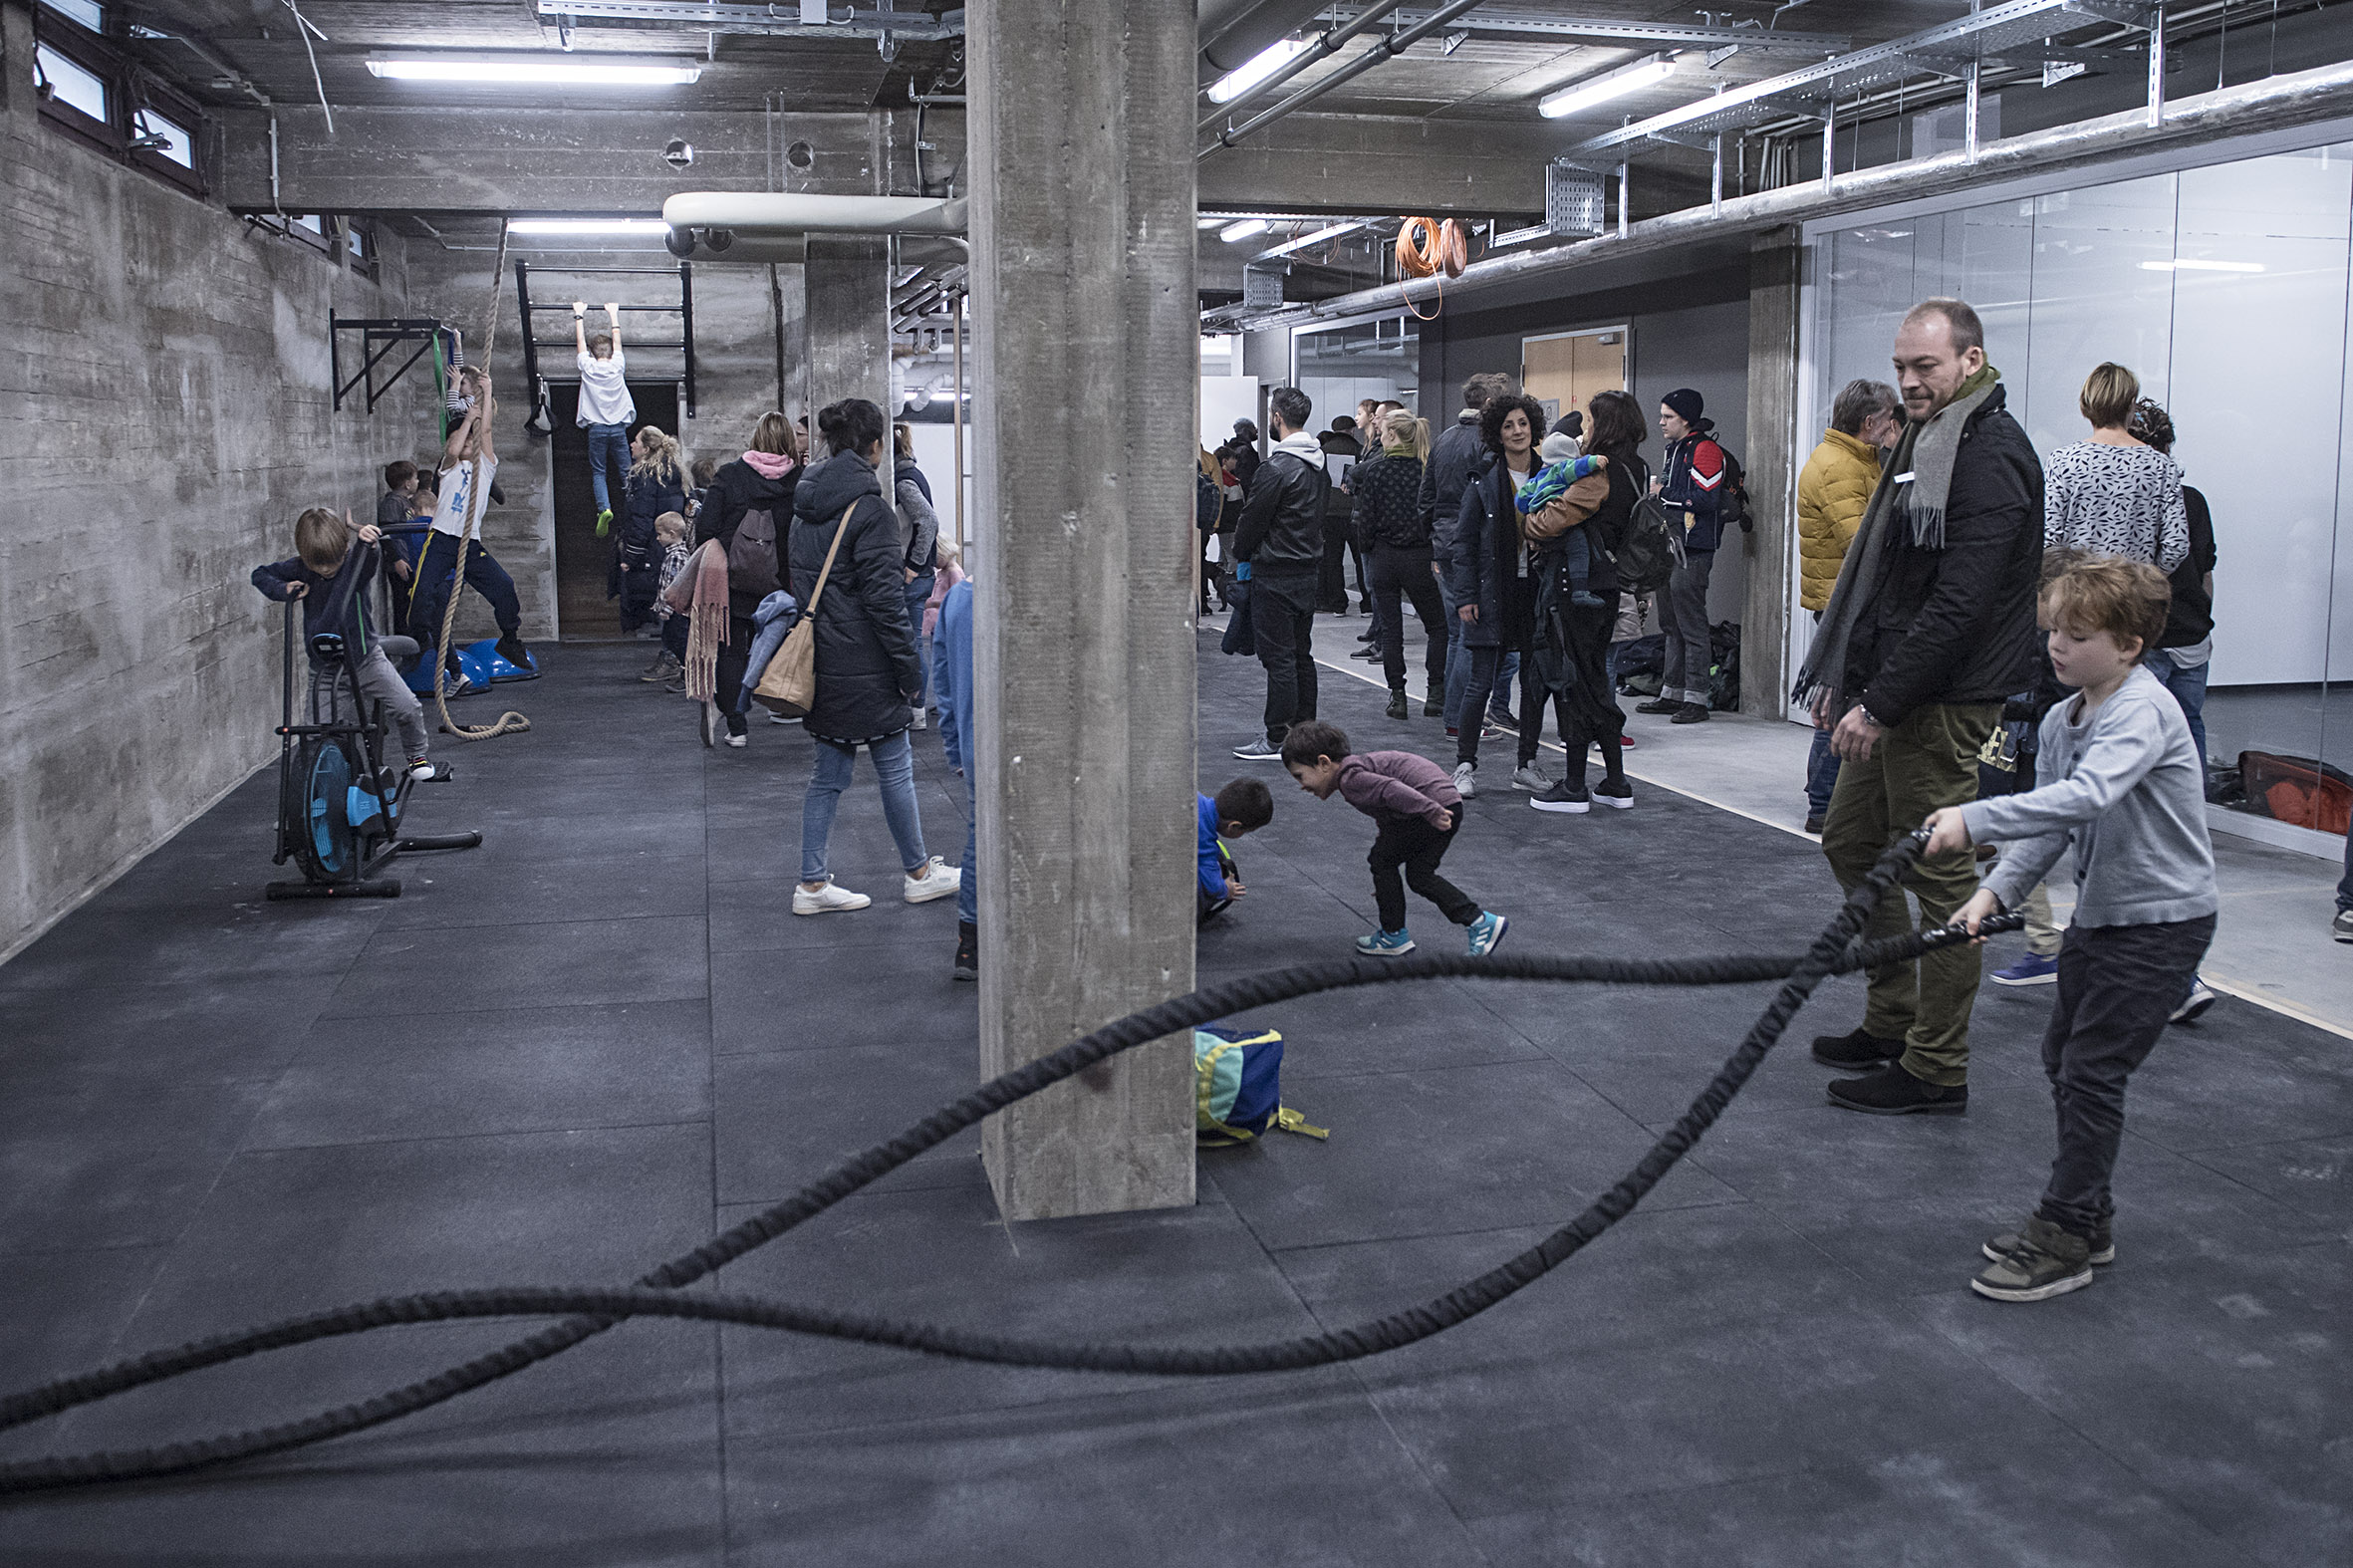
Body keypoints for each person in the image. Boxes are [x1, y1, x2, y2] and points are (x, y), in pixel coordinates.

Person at [1927, 557, 2216, 1302]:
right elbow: (2050, 827)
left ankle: (2063, 1231)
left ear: (2130, 645)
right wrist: (1991, 894)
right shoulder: (2064, 719)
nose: (2056, 645)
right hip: (2104, 916)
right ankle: (2089, 1216)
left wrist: (1975, 818)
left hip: (2164, 924)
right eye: (2054, 630)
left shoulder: (2143, 710)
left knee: (2091, 1069)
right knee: (2064, 1057)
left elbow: (2088, 797)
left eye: (2078, 636)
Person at [1794, 296, 2043, 1116]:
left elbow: (1959, 605)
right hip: (1900, 690)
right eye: (1901, 366)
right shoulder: (1925, 444)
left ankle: (1937, 1067)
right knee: (1850, 839)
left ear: (1971, 360)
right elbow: (1895, 586)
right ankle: (1893, 1016)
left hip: (1945, 700)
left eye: (1925, 365)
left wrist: (1881, 704)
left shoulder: (1989, 455)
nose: (1909, 380)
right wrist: (1854, 690)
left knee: (1940, 885)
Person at [1997, 365, 2196, 999]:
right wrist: (2134, 579)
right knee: (2137, 783)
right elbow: (2176, 548)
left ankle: (2069, 939)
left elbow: (2046, 544)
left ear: (2085, 404)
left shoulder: (2066, 463)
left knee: (2061, 762)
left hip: (2076, 624)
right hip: (2131, 627)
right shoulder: (2160, 468)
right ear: (2133, 406)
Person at [787, 396, 959, 915]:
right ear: (877, 446)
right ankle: (919, 873)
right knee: (896, 769)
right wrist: (910, 671)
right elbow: (885, 604)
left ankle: (811, 885)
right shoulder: (871, 512)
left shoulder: (803, 508)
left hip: (823, 661)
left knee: (827, 776)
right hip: (868, 665)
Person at [1278, 718, 1508, 958]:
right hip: (1446, 805)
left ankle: (1393, 934)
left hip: (1432, 810)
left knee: (1382, 860)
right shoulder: (1356, 770)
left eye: (1300, 776)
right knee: (1418, 875)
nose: (1301, 785)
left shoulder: (1351, 779)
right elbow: (1386, 810)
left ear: (1324, 763)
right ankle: (1480, 921)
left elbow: (1392, 789)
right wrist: (1386, 886)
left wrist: (1430, 810)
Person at [253, 507, 446, 784]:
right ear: (305, 556)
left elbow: (369, 560)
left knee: (407, 707)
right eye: (317, 564)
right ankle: (322, 785)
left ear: (345, 548)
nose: (325, 569)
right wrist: (282, 589)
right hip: (325, 668)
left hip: (366, 660)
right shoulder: (301, 567)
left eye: (332, 562)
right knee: (315, 733)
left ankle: (417, 756)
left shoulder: (355, 563)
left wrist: (368, 543)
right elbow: (260, 574)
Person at [1526, 390, 1644, 814]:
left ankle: (1575, 784)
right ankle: (1615, 781)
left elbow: (1550, 522)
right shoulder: (1637, 466)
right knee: (1596, 681)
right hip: (1609, 584)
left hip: (1575, 586)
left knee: (1573, 681)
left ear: (1606, 424)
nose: (1585, 430)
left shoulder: (1598, 471)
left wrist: (1527, 520)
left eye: (1591, 421)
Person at [1796, 379, 1903, 832]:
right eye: (1891, 419)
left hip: (1850, 600)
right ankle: (1823, 804)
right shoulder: (1839, 467)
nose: (1895, 426)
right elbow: (1863, 543)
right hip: (1845, 604)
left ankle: (1832, 801)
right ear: (1870, 421)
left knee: (1842, 699)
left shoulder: (1859, 460)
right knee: (1838, 702)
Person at [1447, 390, 1549, 799]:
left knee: (1534, 684)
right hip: (1492, 595)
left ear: (1534, 428)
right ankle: (1464, 766)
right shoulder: (1483, 480)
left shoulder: (1551, 475)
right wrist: (1465, 596)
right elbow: (1464, 543)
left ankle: (1526, 765)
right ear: (1497, 433)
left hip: (1537, 594)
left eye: (1523, 423)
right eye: (1508, 425)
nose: (1517, 431)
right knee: (1480, 684)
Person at [408, 368, 528, 684]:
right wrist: (467, 419)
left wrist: (487, 393)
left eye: (469, 443)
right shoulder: (448, 468)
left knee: (504, 587)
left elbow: (485, 432)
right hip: (441, 539)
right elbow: (451, 449)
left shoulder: (485, 468)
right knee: (422, 592)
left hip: (469, 543)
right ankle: (419, 641)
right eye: (463, 441)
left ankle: (510, 638)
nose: (465, 446)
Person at [1229, 386, 1328, 762]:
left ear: (1277, 417)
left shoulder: (1275, 469)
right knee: (1301, 655)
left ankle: (1278, 737)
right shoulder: (1317, 465)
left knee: (1280, 659)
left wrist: (1242, 553)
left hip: (1276, 574)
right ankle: (1304, 735)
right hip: (1307, 571)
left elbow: (1252, 521)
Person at [1424, 374, 1517, 739]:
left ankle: (1454, 713)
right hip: (1475, 550)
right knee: (1470, 636)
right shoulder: (1488, 445)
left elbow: (1426, 497)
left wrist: (1434, 543)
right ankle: (1461, 719)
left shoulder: (1444, 439)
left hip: (1446, 545)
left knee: (1456, 635)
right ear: (1491, 404)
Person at [697, 410, 800, 746]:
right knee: (778, 646)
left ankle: (737, 727)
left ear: (755, 438)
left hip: (734, 580)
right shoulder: (800, 481)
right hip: (781, 584)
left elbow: (706, 529)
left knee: (731, 652)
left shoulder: (729, 475)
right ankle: (783, 704)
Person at [2130, 399, 2216, 771]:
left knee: (2140, 733)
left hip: (2149, 637)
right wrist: (2202, 621)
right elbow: (2205, 572)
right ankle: (2194, 801)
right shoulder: (2192, 500)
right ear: (2168, 446)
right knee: (2189, 725)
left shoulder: (2131, 502)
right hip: (2192, 636)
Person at [1635, 388, 1727, 725]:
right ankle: (1671, 692)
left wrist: (1663, 493)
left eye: (1668, 417)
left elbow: (1706, 499)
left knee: (1691, 624)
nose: (1661, 422)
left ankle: (1697, 699)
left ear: (1686, 419)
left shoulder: (1705, 450)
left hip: (1694, 548)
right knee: (1671, 623)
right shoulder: (1675, 449)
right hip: (1670, 545)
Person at [1352, 408, 1447, 721]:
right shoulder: (1425, 469)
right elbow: (1433, 515)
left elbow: (1365, 521)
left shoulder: (1376, 471)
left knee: (1391, 632)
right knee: (1438, 627)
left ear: (1392, 435)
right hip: (1418, 557)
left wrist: (1368, 549)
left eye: (1382, 431)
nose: (1379, 433)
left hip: (1384, 557)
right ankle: (1435, 693)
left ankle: (1398, 697)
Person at [935, 565, 978, 977]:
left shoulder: (957, 599)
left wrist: (955, 748)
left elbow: (944, 683)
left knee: (980, 837)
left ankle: (971, 943)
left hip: (974, 743)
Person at [893, 424, 941, 731]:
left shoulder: (904, 481)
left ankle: (916, 707)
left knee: (910, 644)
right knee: (912, 643)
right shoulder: (912, 474)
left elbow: (928, 520)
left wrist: (913, 564)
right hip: (919, 575)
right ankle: (917, 710)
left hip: (914, 576)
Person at [573, 301, 636, 534]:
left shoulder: (587, 366)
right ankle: (634, 505)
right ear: (611, 352)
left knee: (599, 471)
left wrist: (579, 315)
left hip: (596, 428)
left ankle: (604, 508)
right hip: (618, 428)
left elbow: (580, 342)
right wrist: (613, 314)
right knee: (626, 471)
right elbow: (617, 341)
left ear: (592, 353)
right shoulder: (618, 365)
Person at [617, 425, 685, 636]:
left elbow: (641, 517)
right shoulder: (673, 472)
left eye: (636, 441)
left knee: (651, 601)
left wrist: (630, 556)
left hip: (652, 546)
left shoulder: (645, 476)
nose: (631, 445)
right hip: (671, 543)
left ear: (646, 449)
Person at [1198, 777, 1271, 926]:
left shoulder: (1197, 799)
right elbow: (1212, 886)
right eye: (1245, 831)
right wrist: (1226, 889)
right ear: (1234, 826)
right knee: (1208, 879)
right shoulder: (1205, 839)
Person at [1315, 415, 1362, 615]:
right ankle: (1367, 604)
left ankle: (1337, 604)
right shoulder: (1359, 450)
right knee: (1360, 560)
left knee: (1333, 561)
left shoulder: (1322, 452)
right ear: (1352, 430)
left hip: (1329, 513)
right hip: (1354, 513)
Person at [645, 511, 691, 685]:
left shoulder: (676, 556)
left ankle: (688, 674)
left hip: (676, 611)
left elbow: (674, 586)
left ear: (671, 534)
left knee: (678, 641)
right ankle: (685, 672)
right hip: (675, 609)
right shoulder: (675, 554)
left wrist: (665, 609)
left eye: (659, 534)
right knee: (673, 640)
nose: (657, 538)